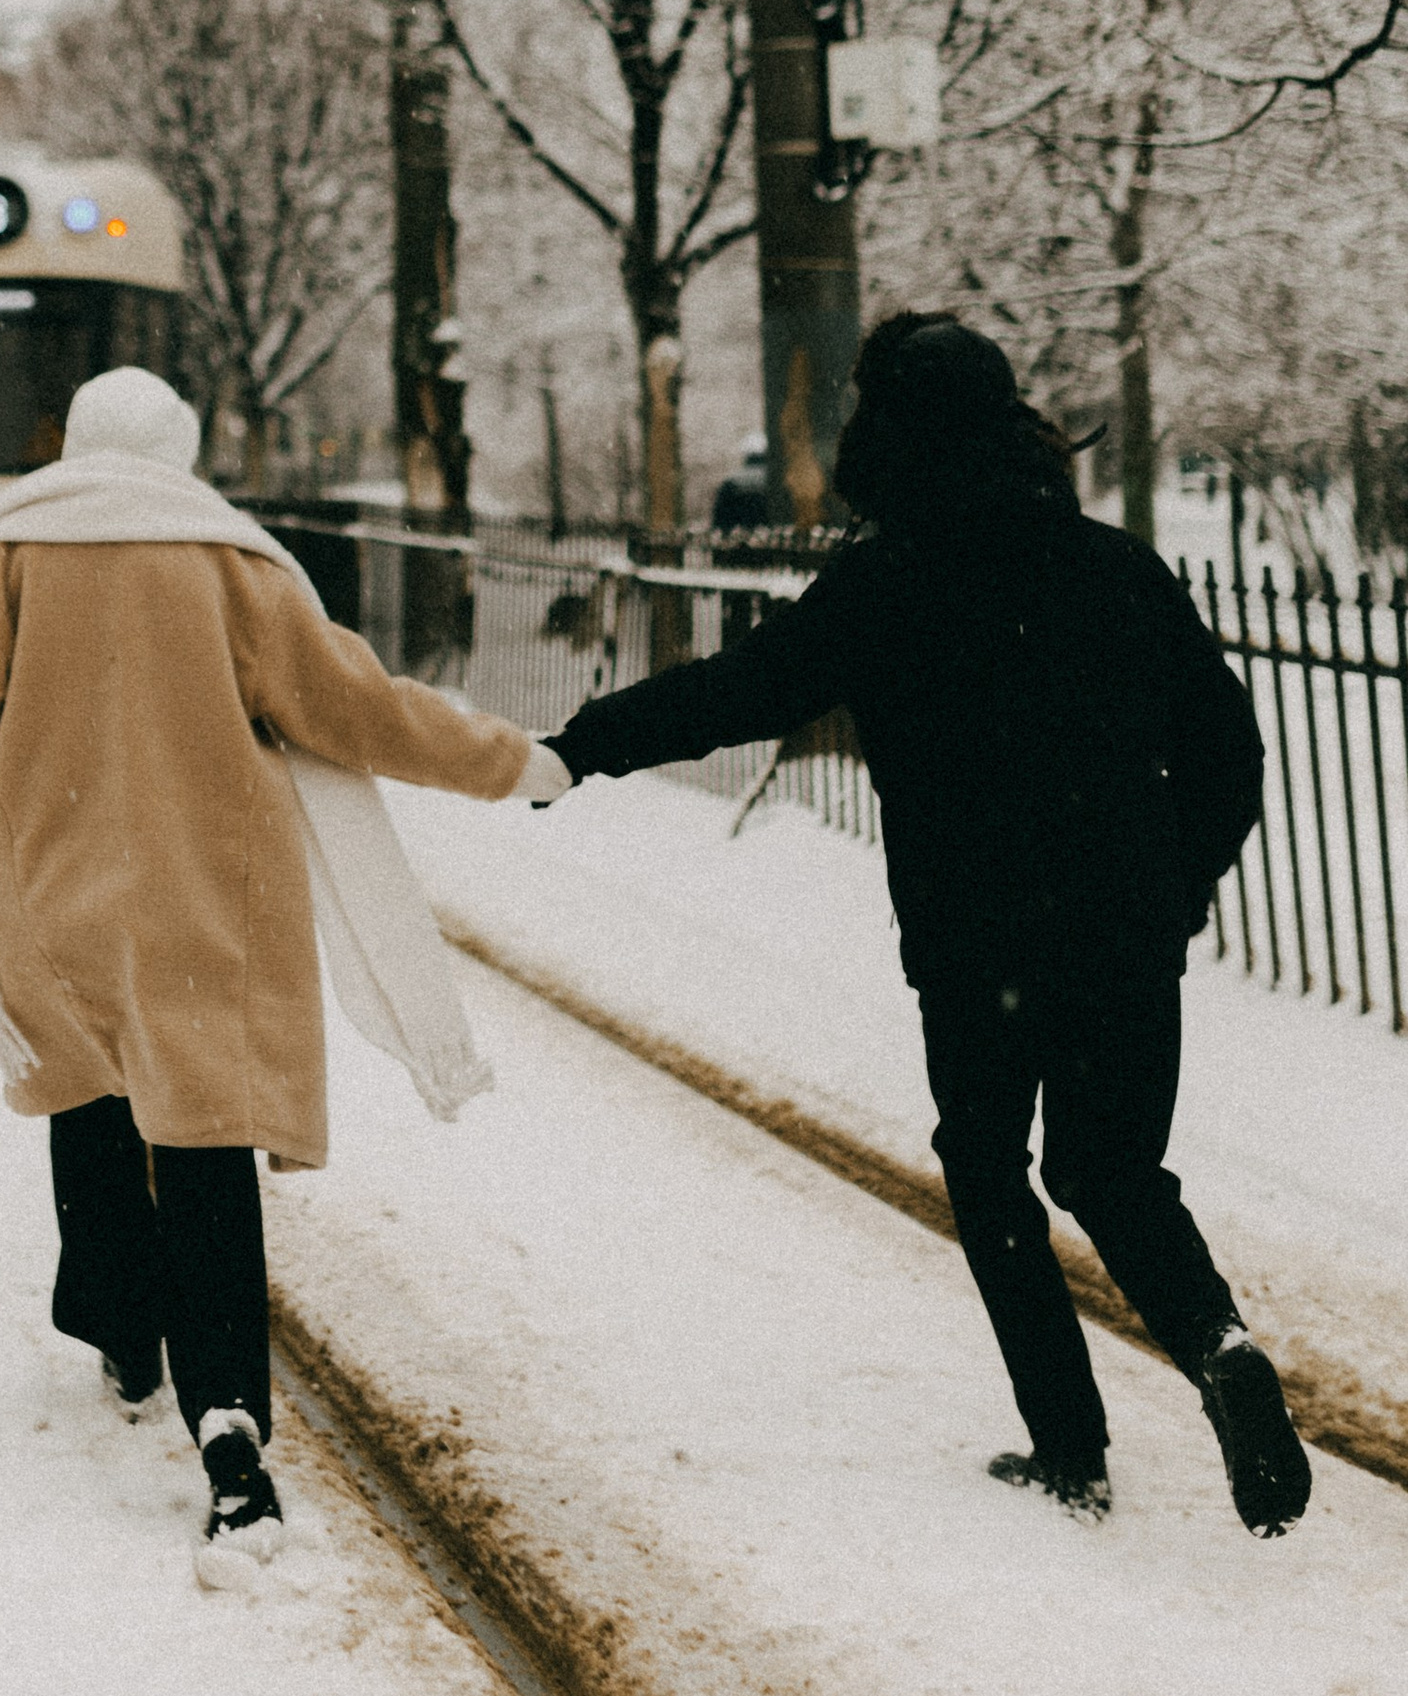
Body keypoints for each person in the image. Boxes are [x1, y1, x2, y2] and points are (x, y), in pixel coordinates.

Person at [544, 312, 1310, 1537]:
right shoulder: (1115, 568)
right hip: (1119, 934)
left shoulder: (887, 580)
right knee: (1112, 1171)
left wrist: (584, 746)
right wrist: (1176, 891)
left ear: (884, 434)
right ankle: (1218, 1345)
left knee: (989, 1170)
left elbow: (742, 693)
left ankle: (1070, 1449)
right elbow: (1228, 750)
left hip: (976, 944)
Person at [0, 367, 566, 1571]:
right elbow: (360, 711)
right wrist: (509, 762)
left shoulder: (6, 556)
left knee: (92, 1102)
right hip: (213, 906)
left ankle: (121, 1329)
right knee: (206, 1146)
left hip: (51, 900)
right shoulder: (237, 566)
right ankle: (226, 1419)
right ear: (182, 450)